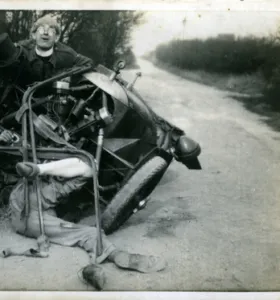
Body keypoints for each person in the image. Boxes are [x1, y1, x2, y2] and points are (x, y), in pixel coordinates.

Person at [0, 16, 167, 289]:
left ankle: (38, 169)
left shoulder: (64, 54)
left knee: (87, 167)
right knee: (86, 175)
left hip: (29, 198)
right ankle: (113, 255)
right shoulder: (47, 212)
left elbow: (86, 64)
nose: (45, 33)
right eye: (40, 29)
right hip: (40, 192)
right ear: (33, 33)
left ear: (56, 36)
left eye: (51, 30)